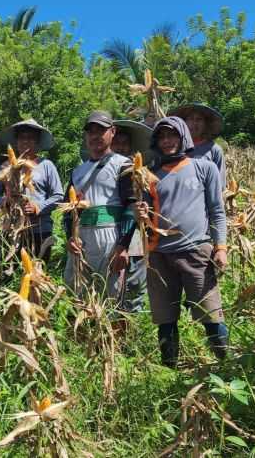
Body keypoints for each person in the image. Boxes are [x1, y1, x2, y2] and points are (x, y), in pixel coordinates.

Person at [134, 116, 228, 367]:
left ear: (183, 137)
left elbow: (217, 210)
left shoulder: (203, 168)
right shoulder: (149, 176)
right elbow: (145, 216)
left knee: (211, 315)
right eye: (162, 137)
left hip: (195, 251)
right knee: (165, 319)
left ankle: (226, 364)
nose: (167, 141)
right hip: (159, 255)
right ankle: (170, 369)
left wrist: (220, 247)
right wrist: (141, 215)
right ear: (156, 141)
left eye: (172, 135)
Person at [63, 111, 135, 302]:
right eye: (90, 131)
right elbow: (68, 210)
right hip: (81, 241)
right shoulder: (78, 171)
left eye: (101, 131)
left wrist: (123, 246)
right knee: (77, 299)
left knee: (112, 298)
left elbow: (131, 206)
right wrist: (69, 237)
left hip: (109, 238)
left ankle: (115, 332)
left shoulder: (123, 165)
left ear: (112, 132)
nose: (95, 136)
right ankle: (81, 333)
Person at [0, 118, 63, 261]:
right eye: (22, 138)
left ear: (37, 142)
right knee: (4, 274)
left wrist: (38, 207)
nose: (26, 142)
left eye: (31, 138)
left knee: (35, 275)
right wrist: (6, 202)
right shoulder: (5, 167)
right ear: (16, 142)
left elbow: (58, 196)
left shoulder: (46, 165)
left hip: (39, 230)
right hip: (11, 230)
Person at [110, 120, 153, 314]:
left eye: (124, 143)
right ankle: (114, 313)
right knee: (114, 276)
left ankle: (133, 315)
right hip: (112, 230)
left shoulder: (139, 173)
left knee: (134, 278)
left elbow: (144, 202)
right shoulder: (108, 170)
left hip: (135, 232)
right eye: (116, 142)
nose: (120, 146)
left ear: (130, 147)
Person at [169, 103, 226, 189]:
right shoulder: (174, 147)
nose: (194, 123)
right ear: (184, 122)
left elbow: (219, 185)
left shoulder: (214, 150)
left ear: (205, 124)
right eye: (191, 119)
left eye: (199, 120)